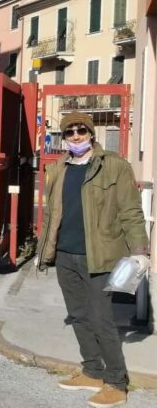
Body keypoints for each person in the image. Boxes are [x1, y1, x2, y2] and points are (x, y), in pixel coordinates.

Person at [37, 112, 149, 408]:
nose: (75, 136)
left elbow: (131, 211)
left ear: (91, 133)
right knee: (78, 315)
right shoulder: (59, 168)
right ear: (63, 138)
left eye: (81, 130)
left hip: (99, 257)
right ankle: (92, 371)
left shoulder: (114, 166)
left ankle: (116, 382)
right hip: (64, 255)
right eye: (69, 132)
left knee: (102, 320)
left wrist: (140, 251)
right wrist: (44, 251)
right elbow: (53, 214)